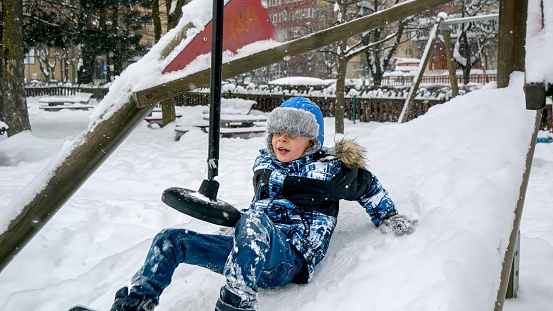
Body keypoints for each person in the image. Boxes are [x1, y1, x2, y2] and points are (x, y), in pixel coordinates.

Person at [109, 97, 417, 311]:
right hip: (249, 251)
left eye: (292, 135)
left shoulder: (329, 171)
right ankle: (137, 302)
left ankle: (237, 302)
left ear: (312, 141)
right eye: (277, 133)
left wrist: (387, 216)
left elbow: (368, 185)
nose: (281, 140)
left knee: (254, 221)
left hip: (287, 261)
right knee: (171, 240)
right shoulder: (265, 164)